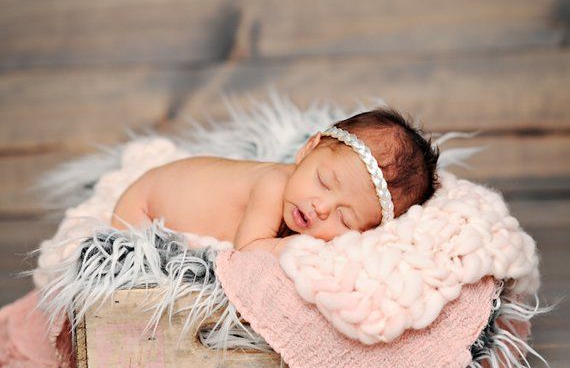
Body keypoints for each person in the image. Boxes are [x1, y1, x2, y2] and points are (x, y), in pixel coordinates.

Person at [110, 106, 440, 255]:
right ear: (308, 149)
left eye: (345, 217)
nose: (321, 207)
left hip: (158, 202)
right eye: (323, 181)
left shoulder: (302, 206)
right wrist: (303, 247)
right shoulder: (273, 185)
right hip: (144, 202)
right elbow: (249, 251)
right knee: (127, 263)